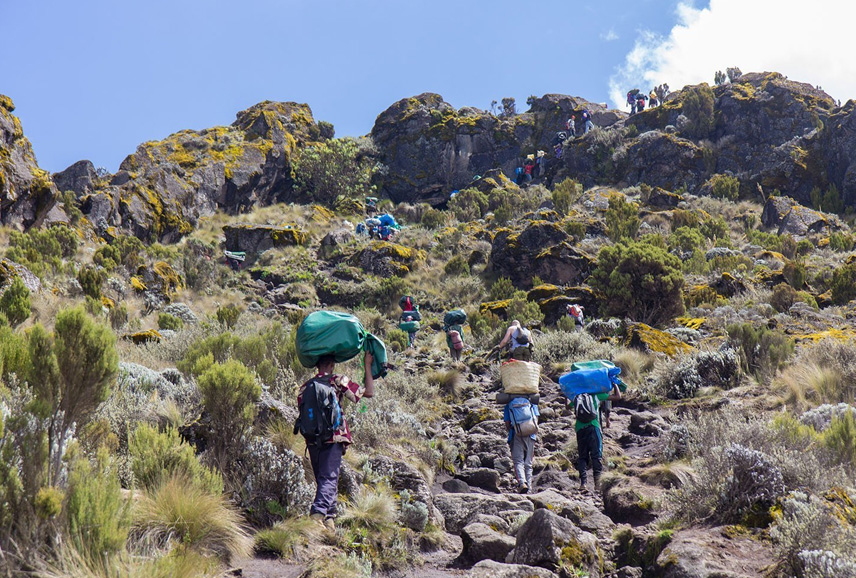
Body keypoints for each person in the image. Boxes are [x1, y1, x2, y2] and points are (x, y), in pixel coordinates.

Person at [298, 352, 375, 530]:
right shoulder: (338, 380)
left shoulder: (305, 387)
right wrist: (367, 365)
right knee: (330, 478)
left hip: (312, 439)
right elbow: (368, 393)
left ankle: (329, 522)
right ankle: (316, 516)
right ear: (332, 365)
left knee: (323, 479)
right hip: (334, 436)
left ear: (316, 366)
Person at [573, 379, 621, 492]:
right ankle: (597, 484)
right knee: (596, 456)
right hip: (593, 427)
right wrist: (614, 384)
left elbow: (566, 406)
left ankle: (583, 484)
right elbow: (617, 397)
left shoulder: (576, 397)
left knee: (582, 457)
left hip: (580, 429)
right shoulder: (596, 395)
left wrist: (566, 394)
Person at [504, 396, 540, 493]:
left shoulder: (509, 405)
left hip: (516, 434)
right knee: (528, 462)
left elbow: (507, 423)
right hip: (531, 435)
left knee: (518, 461)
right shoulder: (532, 403)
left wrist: (514, 430)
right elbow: (536, 420)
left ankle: (522, 482)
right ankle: (529, 487)